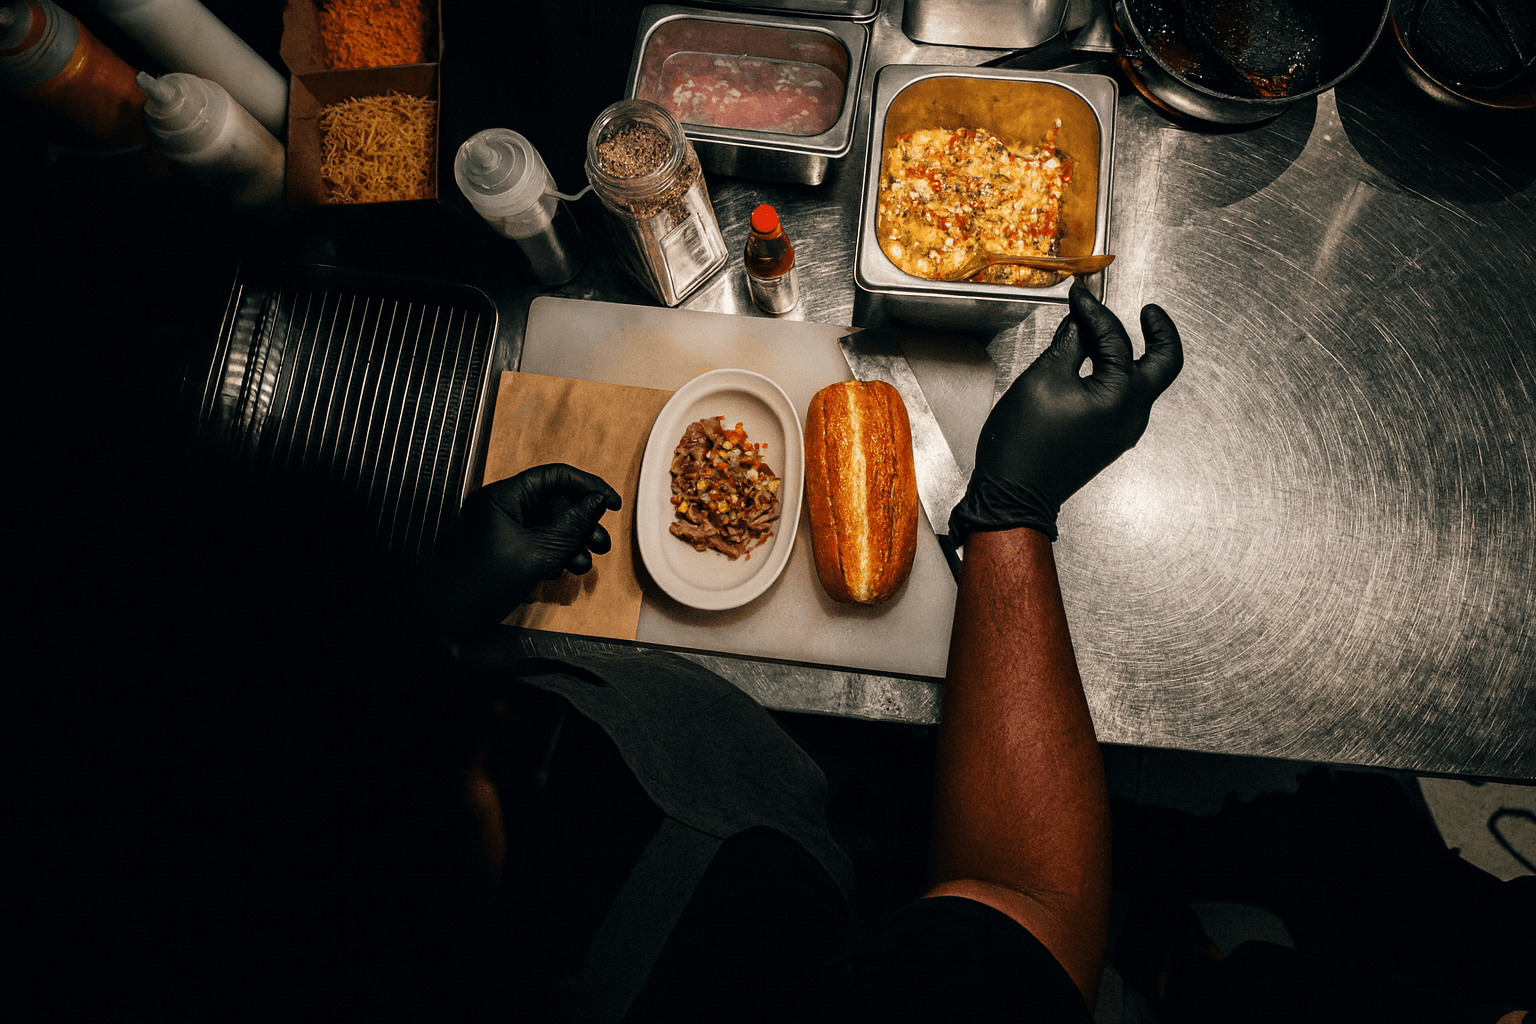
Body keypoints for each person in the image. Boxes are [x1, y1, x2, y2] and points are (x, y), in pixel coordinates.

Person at [419, 280, 1185, 1021]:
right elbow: (1026, 908)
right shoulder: (718, 971)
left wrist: (441, 615)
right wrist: (1015, 510)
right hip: (806, 805)